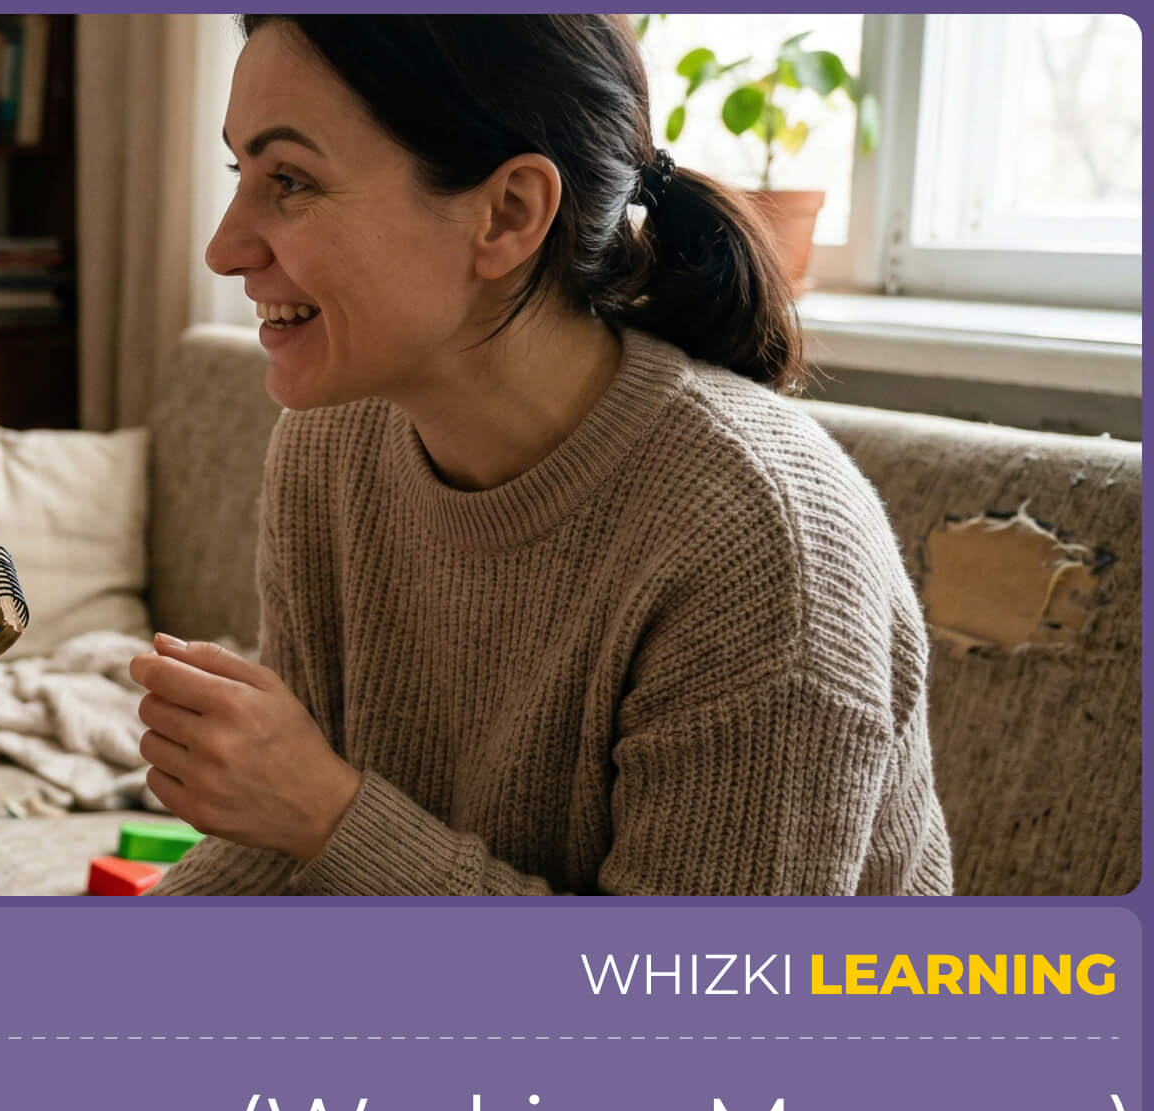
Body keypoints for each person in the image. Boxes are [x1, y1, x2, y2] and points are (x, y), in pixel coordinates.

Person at [139, 15, 952, 895]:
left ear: (509, 213)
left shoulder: (762, 543)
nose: (224, 248)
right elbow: (276, 850)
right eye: (242, 171)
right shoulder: (331, 444)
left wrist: (329, 816)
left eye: (291, 180)